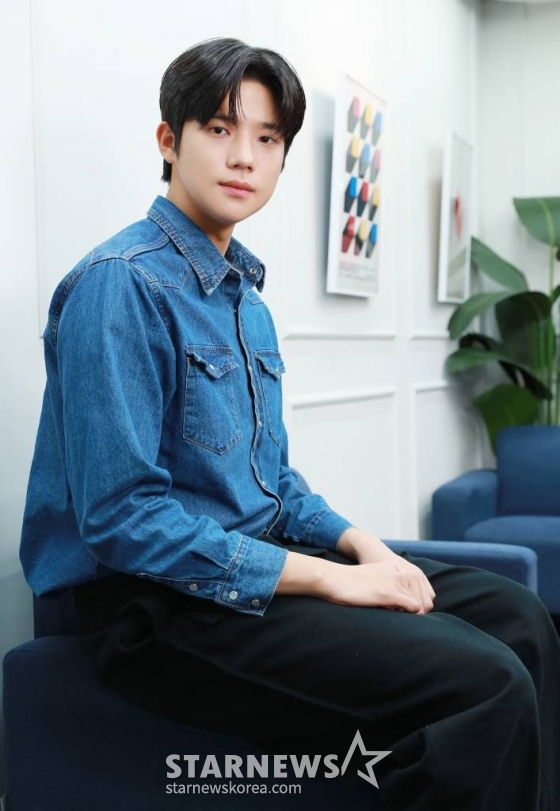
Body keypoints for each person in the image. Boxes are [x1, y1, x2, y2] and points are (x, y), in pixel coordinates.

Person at [21, 37, 559, 810]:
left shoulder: (245, 300)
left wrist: (366, 546)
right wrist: (334, 580)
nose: (244, 156)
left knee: (522, 617)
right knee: (488, 682)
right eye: (219, 128)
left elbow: (272, 481)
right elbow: (122, 520)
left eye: (267, 138)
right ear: (169, 140)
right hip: (153, 608)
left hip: (251, 570)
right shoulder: (120, 285)